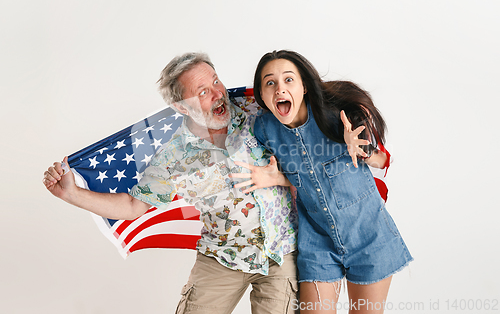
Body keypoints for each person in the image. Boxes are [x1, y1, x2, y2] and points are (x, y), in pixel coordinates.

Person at [43, 52, 300, 314]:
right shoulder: (172, 155)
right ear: (181, 106)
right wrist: (72, 193)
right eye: (202, 92)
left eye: (216, 81)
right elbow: (133, 206)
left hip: (280, 252)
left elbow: (305, 119)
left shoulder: (258, 110)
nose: (217, 94)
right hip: (222, 257)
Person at [232, 50, 413, 313]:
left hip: (369, 235)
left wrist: (362, 150)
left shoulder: (338, 117)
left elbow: (383, 161)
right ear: (262, 95)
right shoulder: (264, 129)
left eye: (288, 80)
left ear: (304, 86)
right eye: (270, 82)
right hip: (317, 241)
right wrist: (277, 178)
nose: (280, 88)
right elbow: (303, 175)